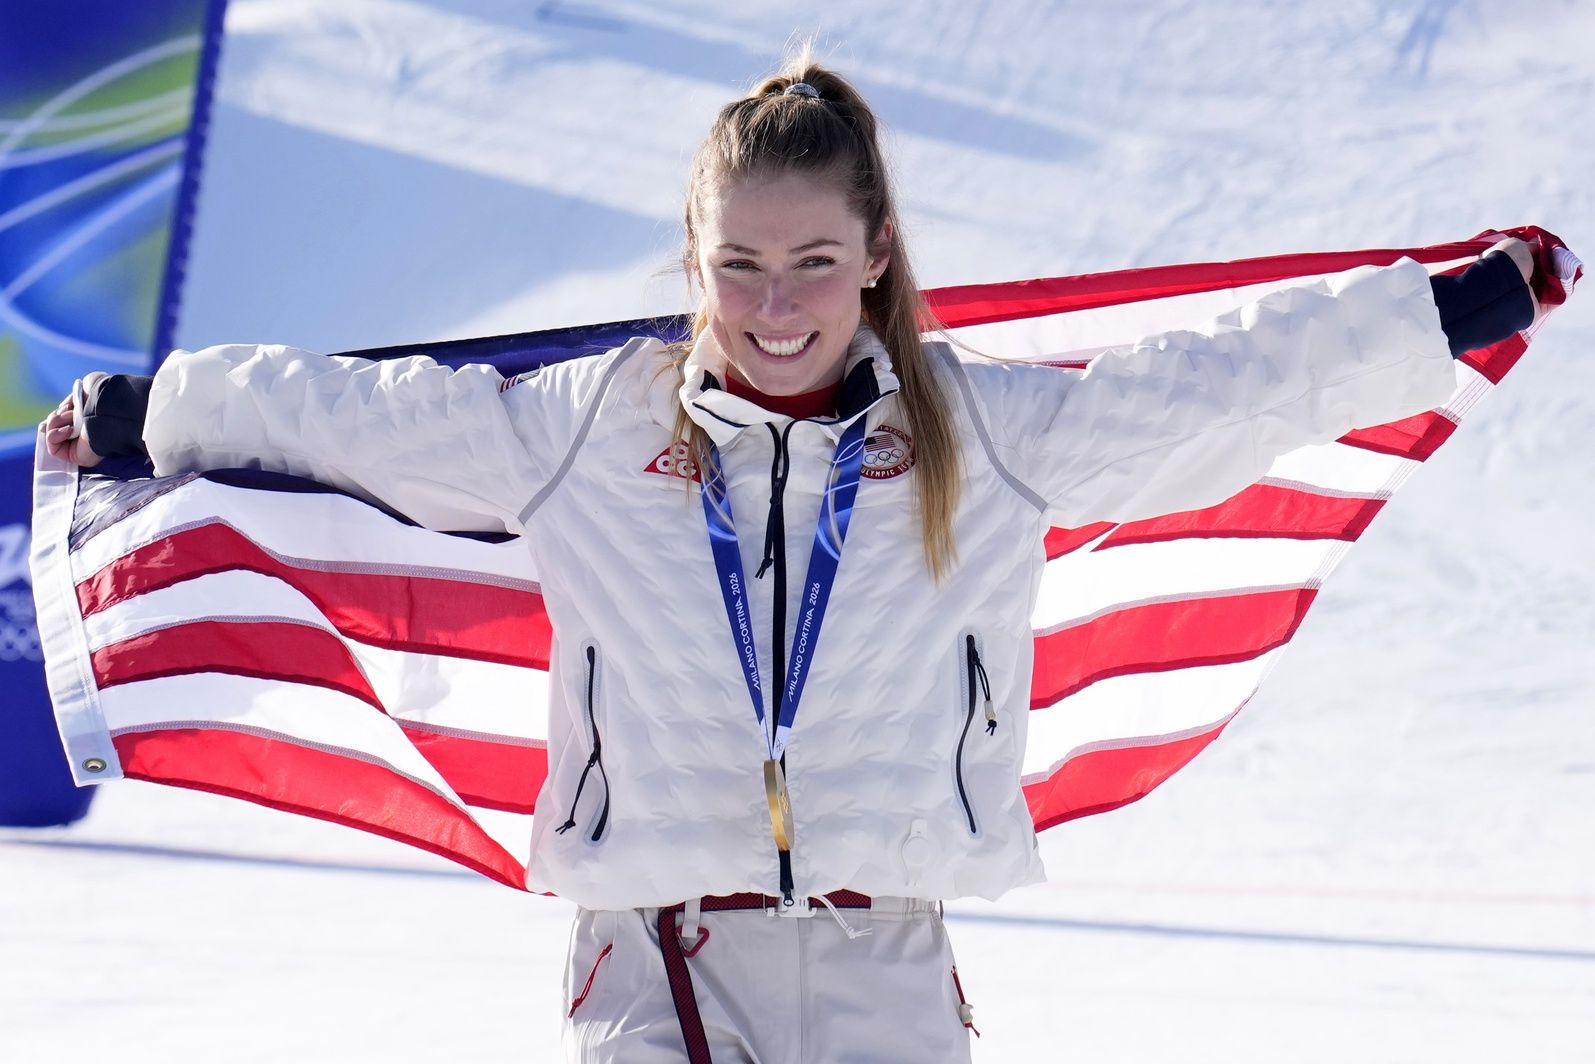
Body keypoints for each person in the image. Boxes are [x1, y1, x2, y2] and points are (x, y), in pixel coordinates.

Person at [41, 51, 1541, 1064]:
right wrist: (161, 405)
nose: (776, 304)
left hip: (888, 969)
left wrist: (1432, 319)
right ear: (692, 261)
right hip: (659, 961)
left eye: (815, 262)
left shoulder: (985, 431)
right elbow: (356, 415)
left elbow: (1217, 380)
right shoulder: (584, 427)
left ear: (877, 253)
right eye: (740, 265)